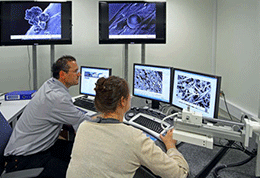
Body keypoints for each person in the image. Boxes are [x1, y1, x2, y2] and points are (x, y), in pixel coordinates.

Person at [66, 76, 189, 178]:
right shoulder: (134, 137)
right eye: (128, 95)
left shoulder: (84, 127)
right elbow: (179, 173)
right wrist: (171, 146)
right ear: (123, 101)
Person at [4, 55, 95, 178]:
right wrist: (104, 117)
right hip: (26, 159)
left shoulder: (50, 84)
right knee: (76, 172)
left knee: (76, 150)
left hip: (37, 147)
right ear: (62, 74)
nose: (79, 75)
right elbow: (85, 124)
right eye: (75, 71)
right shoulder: (57, 97)